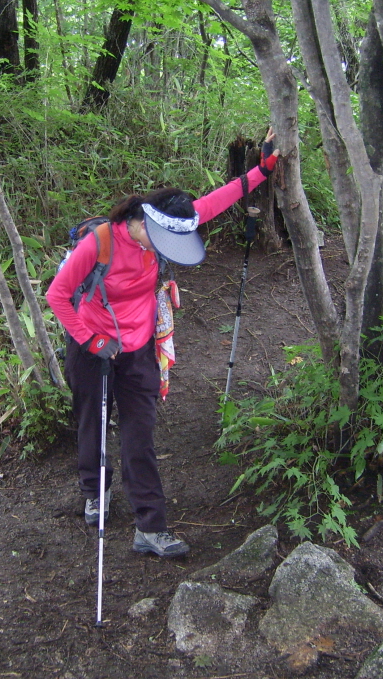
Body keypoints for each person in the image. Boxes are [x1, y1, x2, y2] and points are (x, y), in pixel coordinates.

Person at [46, 130, 279, 558]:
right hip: (91, 344)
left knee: (141, 433)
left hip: (137, 348)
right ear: (141, 223)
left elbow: (222, 197)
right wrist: (90, 338)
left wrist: (262, 168)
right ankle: (95, 490)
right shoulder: (100, 243)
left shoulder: (174, 221)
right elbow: (57, 296)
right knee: (92, 422)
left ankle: (149, 527)